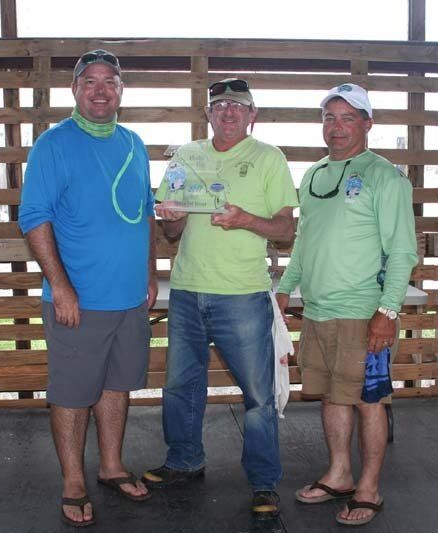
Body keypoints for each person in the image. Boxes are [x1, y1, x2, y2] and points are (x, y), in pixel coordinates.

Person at [142, 78, 299, 519]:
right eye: (220, 105)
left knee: (258, 396)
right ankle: (183, 459)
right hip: (188, 290)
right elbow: (171, 232)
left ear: (253, 116)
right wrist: (170, 218)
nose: (228, 112)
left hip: (243, 294)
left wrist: (246, 219)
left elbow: (286, 230)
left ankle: (264, 481)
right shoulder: (186, 156)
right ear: (208, 114)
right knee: (179, 386)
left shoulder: (269, 158)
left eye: (238, 106)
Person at [18, 49, 157, 528]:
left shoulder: (134, 142)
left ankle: (112, 465)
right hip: (78, 298)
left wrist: (149, 273)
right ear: (74, 90)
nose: (100, 89)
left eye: (110, 81)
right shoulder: (54, 144)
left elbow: (145, 213)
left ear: (121, 91)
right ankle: (74, 479)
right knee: (74, 393)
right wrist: (60, 286)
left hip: (129, 297)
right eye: (90, 81)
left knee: (118, 385)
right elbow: (34, 217)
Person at [275, 83, 418, 526]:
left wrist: (387, 311)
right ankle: (339, 474)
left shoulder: (384, 176)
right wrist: (285, 287)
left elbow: (403, 251)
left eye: (348, 118)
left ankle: (369, 488)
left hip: (364, 312)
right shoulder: (315, 173)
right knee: (333, 397)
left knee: (367, 400)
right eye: (329, 118)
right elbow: (304, 241)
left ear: (367, 124)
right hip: (317, 311)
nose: (336, 128)